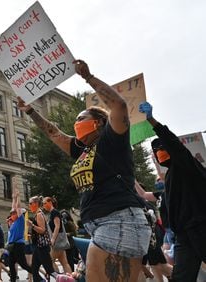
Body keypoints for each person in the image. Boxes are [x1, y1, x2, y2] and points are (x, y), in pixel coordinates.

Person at [17, 59, 151, 281]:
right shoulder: (82, 150)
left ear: (99, 122)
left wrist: (88, 77)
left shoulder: (112, 139)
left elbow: (119, 106)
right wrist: (30, 111)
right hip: (101, 226)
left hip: (119, 221)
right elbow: (54, 133)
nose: (76, 123)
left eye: (81, 118)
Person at [139, 101, 206, 280]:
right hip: (184, 235)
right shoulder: (169, 177)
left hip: (201, 228)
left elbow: (173, 143)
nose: (159, 153)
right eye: (155, 151)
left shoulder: (186, 163)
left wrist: (152, 121)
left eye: (162, 148)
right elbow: (146, 195)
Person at [6, 180, 33, 282]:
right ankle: (13, 280)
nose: (12, 214)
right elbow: (13, 206)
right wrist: (13, 196)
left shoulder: (20, 220)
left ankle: (37, 276)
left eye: (13, 213)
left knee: (23, 264)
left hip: (18, 245)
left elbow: (17, 207)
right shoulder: (12, 223)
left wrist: (18, 196)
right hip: (12, 246)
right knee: (11, 265)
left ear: (18, 214)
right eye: (11, 213)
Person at [28, 196, 57, 281]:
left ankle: (65, 279)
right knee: (34, 269)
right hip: (38, 247)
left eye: (31, 203)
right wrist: (32, 235)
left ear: (36, 204)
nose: (29, 206)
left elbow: (42, 230)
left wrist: (32, 225)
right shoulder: (37, 214)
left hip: (42, 247)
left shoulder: (39, 214)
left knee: (50, 270)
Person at [43, 197, 72, 274]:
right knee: (65, 263)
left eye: (45, 203)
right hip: (59, 242)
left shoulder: (54, 212)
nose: (43, 205)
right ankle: (69, 279)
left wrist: (52, 239)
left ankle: (59, 278)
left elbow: (57, 226)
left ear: (50, 202)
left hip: (56, 241)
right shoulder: (53, 213)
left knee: (49, 261)